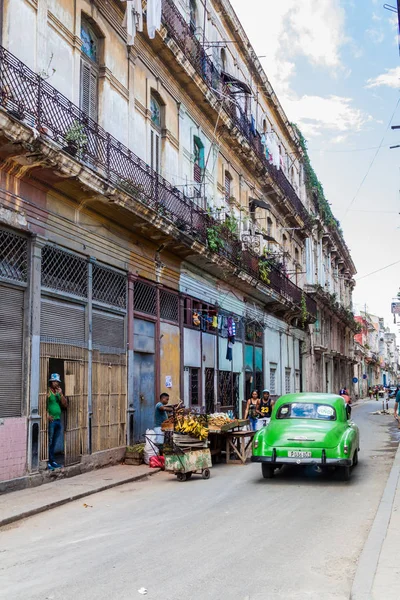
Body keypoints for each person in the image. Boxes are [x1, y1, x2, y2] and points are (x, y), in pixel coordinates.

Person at [47, 373, 68, 470]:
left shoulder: (57, 392)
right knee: (49, 442)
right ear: (51, 382)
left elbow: (65, 405)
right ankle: (48, 461)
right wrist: (46, 415)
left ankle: (52, 460)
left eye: (58, 382)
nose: (57, 383)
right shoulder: (47, 392)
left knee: (54, 442)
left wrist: (61, 394)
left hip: (58, 419)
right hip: (51, 421)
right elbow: (43, 404)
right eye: (55, 381)